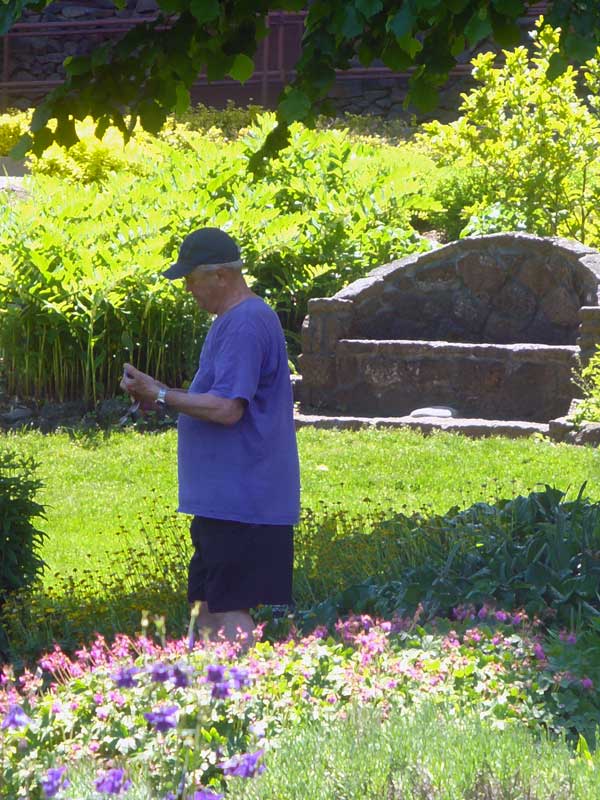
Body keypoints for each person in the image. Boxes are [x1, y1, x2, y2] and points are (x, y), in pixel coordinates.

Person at [120, 227, 300, 646]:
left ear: (221, 275)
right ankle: (204, 697)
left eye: (190, 279)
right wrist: (157, 398)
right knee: (205, 606)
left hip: (244, 500)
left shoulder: (246, 323)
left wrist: (162, 393)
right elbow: (213, 399)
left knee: (228, 608)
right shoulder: (231, 322)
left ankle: (245, 701)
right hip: (223, 500)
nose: (188, 289)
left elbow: (227, 408)